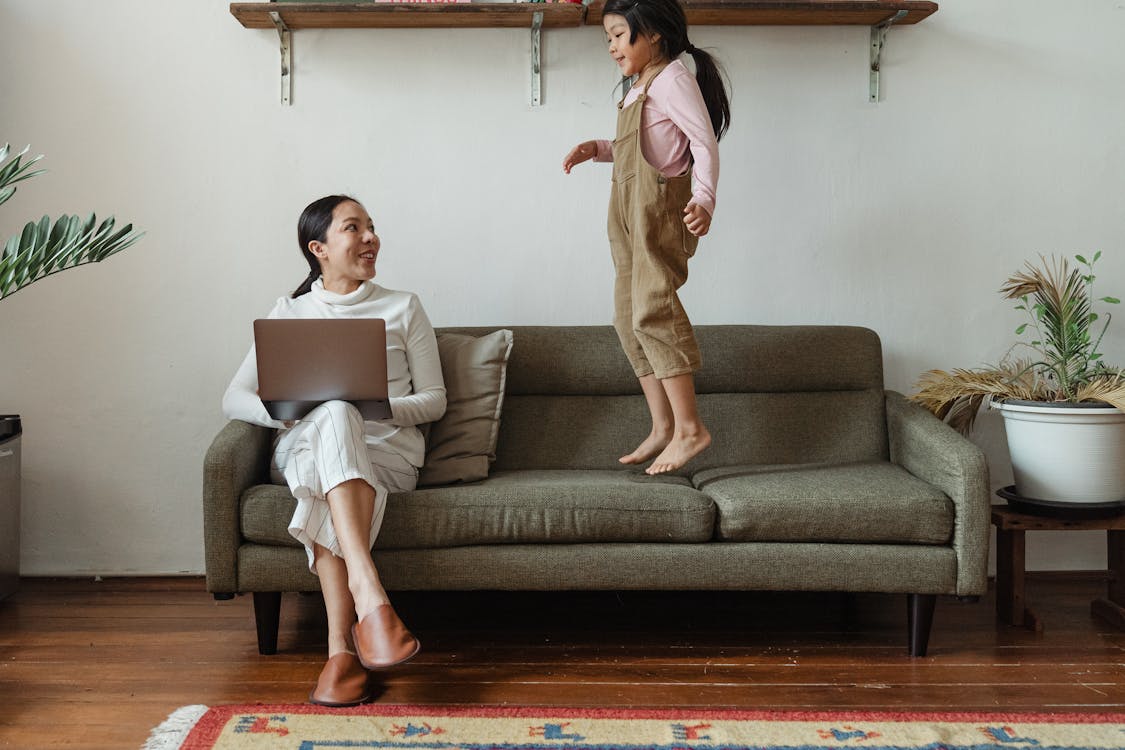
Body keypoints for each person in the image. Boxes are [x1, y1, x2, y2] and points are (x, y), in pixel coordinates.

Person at [222, 195, 447, 707]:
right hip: (304, 446)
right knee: (332, 416)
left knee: (341, 417)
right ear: (319, 248)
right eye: (354, 228)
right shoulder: (289, 311)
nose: (371, 238)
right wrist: (288, 412)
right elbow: (233, 397)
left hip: (386, 454)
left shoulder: (403, 306)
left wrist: (372, 406)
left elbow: (434, 401)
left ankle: (340, 651)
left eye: (372, 227)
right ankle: (371, 598)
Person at [562, 0, 730, 475]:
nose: (613, 46)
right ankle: (662, 426)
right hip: (627, 214)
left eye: (619, 35)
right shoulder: (638, 86)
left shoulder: (673, 78)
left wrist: (705, 199)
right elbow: (642, 146)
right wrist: (597, 149)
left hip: (658, 212)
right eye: (609, 38)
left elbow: (702, 142)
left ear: (652, 32)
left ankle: (691, 428)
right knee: (626, 316)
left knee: (653, 310)